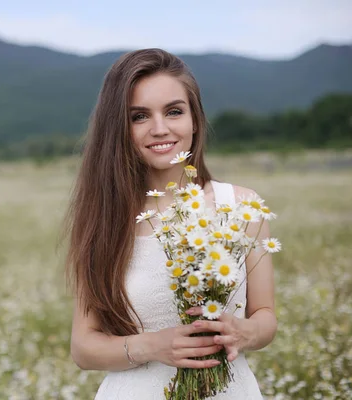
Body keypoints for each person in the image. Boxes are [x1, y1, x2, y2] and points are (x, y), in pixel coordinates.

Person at [63, 48, 277, 399]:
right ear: (119, 129)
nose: (160, 128)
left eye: (174, 111)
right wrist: (152, 347)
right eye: (139, 117)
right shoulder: (106, 219)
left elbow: (265, 316)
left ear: (195, 119)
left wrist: (244, 332)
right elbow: (84, 348)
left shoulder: (240, 208)